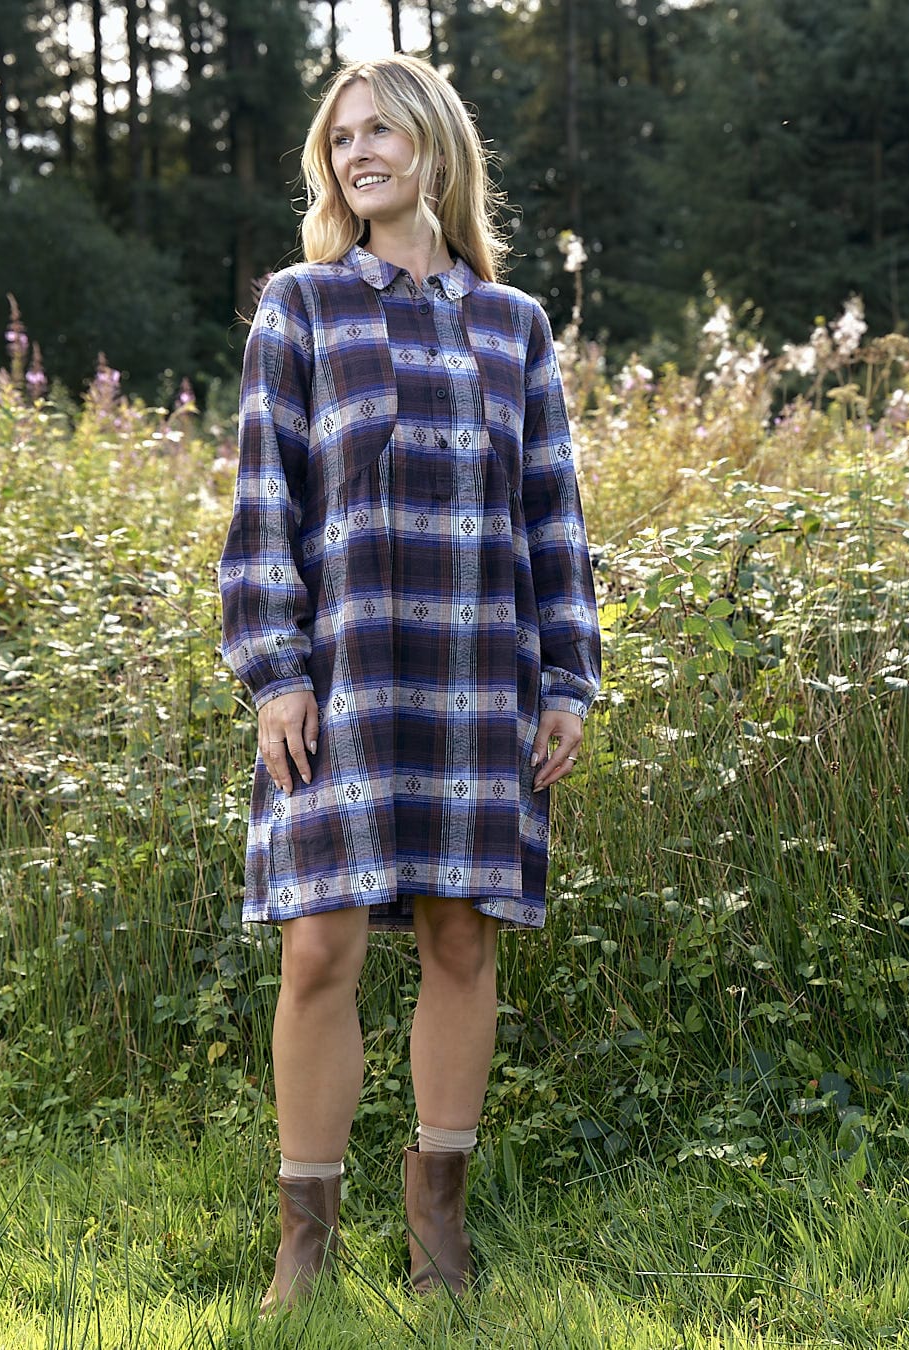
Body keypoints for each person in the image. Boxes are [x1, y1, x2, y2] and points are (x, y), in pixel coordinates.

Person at [218, 54, 600, 1313]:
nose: (355, 153)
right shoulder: (304, 305)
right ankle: (305, 1244)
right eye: (340, 139)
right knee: (319, 946)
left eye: (380, 130)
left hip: (481, 677)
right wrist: (275, 670)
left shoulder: (516, 325)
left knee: (459, 935)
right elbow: (262, 503)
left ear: (436, 146)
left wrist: (567, 680)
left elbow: (552, 517)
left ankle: (440, 1226)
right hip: (346, 681)